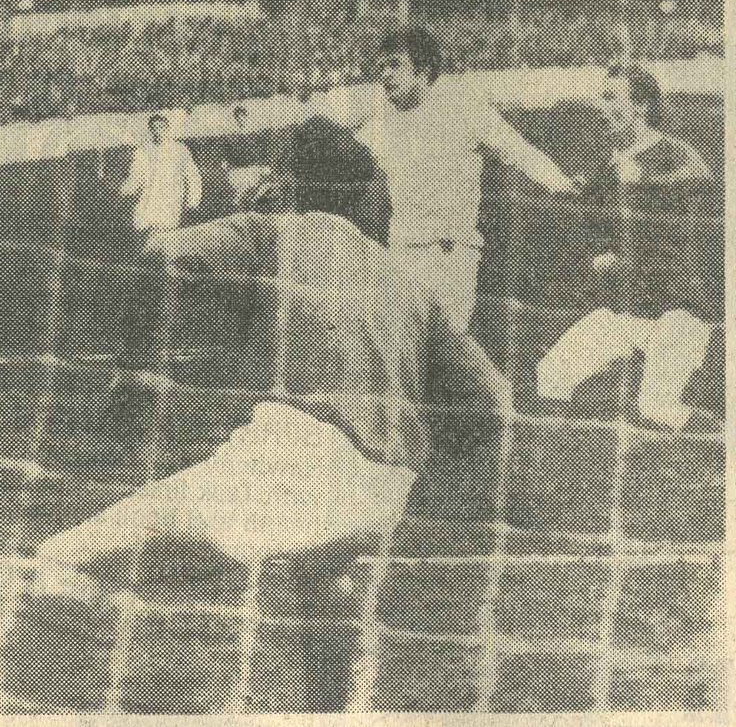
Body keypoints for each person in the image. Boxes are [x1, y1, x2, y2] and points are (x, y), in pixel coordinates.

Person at [29, 193, 513, 598]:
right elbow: (493, 409)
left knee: (71, 555)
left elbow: (160, 252)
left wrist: (135, 369)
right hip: (384, 497)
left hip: (293, 457)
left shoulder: (277, 232)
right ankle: (324, 585)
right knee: (291, 568)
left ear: (293, 191)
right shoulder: (412, 286)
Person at [348, 26, 577, 334]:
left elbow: (517, 150)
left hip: (453, 255)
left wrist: (559, 182)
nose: (385, 75)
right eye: (381, 67)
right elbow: (341, 161)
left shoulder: (465, 111)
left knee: (446, 349)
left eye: (394, 65)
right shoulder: (378, 124)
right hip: (402, 254)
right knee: (401, 349)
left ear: (422, 70)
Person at [536, 67, 717, 430]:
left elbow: (701, 195)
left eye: (610, 97)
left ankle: (719, 430)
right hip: (624, 312)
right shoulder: (609, 163)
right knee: (549, 378)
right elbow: (591, 217)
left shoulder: (675, 153)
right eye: (601, 96)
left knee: (656, 408)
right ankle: (580, 431)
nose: (600, 105)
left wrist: (644, 180)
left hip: (678, 314)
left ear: (641, 106)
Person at [120, 112, 203, 234]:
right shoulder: (143, 150)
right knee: (144, 226)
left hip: (172, 196)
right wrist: (125, 190)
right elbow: (136, 175)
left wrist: (193, 200)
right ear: (150, 130)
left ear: (167, 128)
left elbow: (193, 176)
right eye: (154, 128)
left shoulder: (179, 149)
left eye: (161, 127)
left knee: (167, 231)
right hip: (150, 196)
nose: (158, 131)